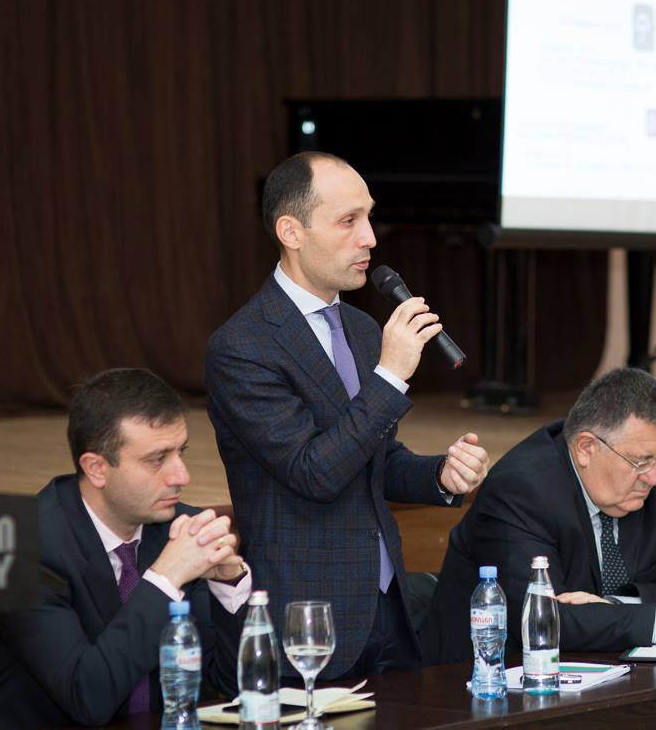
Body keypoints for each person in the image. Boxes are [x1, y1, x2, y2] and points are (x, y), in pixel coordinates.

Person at [204, 151, 490, 678]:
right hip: (307, 616)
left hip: (388, 607)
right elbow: (314, 471)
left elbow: (375, 459)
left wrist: (439, 475)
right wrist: (391, 375)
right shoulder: (243, 346)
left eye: (369, 217)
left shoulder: (360, 329)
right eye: (348, 221)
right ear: (291, 232)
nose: (370, 238)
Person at [0, 368, 250, 728]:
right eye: (157, 459)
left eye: (180, 453)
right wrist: (165, 578)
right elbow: (87, 699)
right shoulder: (9, 547)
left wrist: (227, 584)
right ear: (96, 468)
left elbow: (232, 685)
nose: (181, 476)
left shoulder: (177, 528)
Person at [421, 367, 656, 664]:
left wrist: (613, 607)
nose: (653, 477)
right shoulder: (522, 490)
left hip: (607, 673)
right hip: (481, 681)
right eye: (641, 461)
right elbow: (544, 620)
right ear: (586, 448)